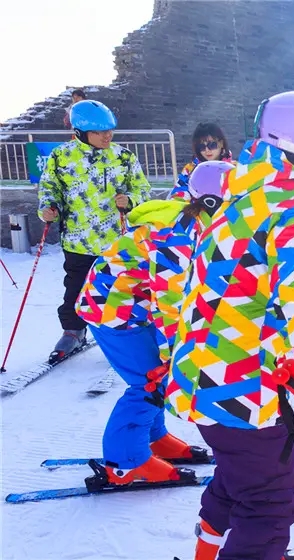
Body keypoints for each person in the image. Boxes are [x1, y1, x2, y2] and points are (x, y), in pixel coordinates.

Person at [165, 91, 294, 560]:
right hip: (238, 390)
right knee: (271, 504)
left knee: (237, 479)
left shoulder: (243, 194)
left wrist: (280, 359)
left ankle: (208, 552)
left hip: (200, 375)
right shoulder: (293, 211)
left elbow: (236, 293)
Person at [75, 160, 233, 486]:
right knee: (149, 383)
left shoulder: (190, 224)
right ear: (211, 203)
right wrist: (177, 353)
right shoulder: (176, 238)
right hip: (113, 312)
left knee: (156, 379)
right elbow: (172, 305)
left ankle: (154, 437)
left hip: (132, 307)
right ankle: (123, 463)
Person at [38, 99, 150, 363]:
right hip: (78, 240)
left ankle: (126, 336)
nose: (107, 136)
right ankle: (73, 331)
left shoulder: (123, 157)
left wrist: (131, 200)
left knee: (120, 290)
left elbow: (143, 189)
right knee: (75, 290)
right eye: (99, 132)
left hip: (116, 241)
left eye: (109, 130)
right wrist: (48, 207)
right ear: (80, 132)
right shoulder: (60, 157)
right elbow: (49, 189)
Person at [168, 123, 233, 202]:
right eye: (201, 147)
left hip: (225, 211)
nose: (207, 150)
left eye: (212, 145)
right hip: (198, 211)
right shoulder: (190, 169)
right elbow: (179, 193)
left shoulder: (234, 168)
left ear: (221, 143)